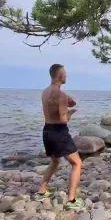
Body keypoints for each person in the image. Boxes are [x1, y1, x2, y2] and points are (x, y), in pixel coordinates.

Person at [34, 63, 83, 209]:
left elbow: (53, 105)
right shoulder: (61, 96)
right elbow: (63, 120)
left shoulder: (45, 92)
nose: (66, 75)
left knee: (55, 162)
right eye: (65, 73)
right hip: (59, 132)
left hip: (47, 130)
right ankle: (72, 200)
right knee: (77, 163)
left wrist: (67, 101)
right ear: (60, 75)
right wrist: (70, 113)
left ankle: (41, 192)